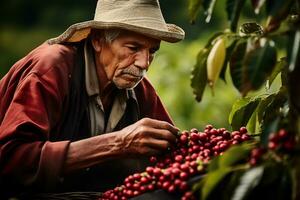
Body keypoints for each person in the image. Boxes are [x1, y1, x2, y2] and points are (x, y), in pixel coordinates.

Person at [0, 0, 185, 198]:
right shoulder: (52, 69)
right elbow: (11, 160)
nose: (144, 63)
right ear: (98, 40)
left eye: (152, 51)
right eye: (133, 48)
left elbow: (175, 158)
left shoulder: (139, 90)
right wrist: (118, 143)